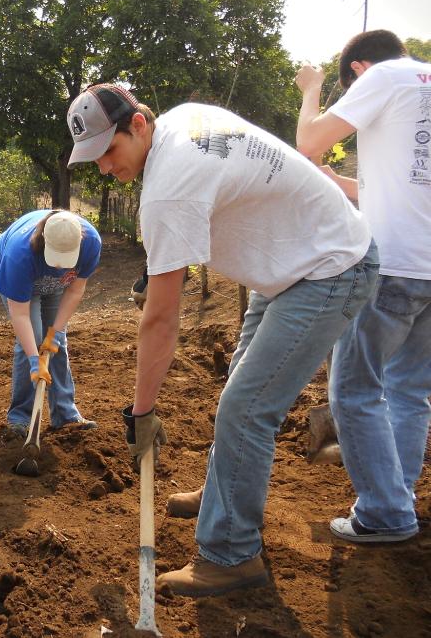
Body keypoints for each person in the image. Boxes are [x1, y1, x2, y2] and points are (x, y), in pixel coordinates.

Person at [66, 83, 377, 597]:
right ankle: (222, 493)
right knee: (241, 387)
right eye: (92, 158)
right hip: (289, 266)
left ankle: (231, 553)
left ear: (138, 125)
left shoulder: (169, 188)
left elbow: (162, 318)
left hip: (330, 267)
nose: (103, 168)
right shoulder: (182, 120)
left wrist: (141, 413)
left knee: (246, 407)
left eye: (108, 151)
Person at [294, 29, 430, 544]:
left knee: (353, 390)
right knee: (410, 389)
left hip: (394, 264)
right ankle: (398, 497)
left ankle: (384, 514)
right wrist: (333, 179)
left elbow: (308, 140)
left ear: (358, 70)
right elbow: (391, 190)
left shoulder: (384, 77)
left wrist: (312, 88)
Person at [0, 209, 101, 438]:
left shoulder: (91, 243)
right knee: (30, 342)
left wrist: (56, 332)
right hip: (22, 281)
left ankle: (65, 414)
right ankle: (20, 418)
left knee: (54, 344)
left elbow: (75, 290)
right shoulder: (18, 255)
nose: (60, 266)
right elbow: (20, 315)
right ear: (44, 241)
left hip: (57, 287)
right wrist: (34, 360)